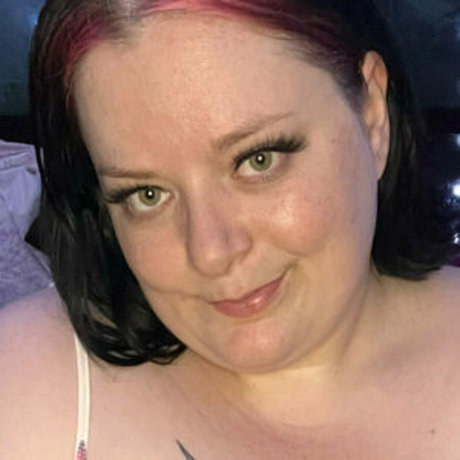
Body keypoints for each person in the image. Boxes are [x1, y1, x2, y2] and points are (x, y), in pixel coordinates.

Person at [1, 0, 460, 458]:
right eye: (147, 194)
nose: (211, 252)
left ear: (372, 117)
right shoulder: (22, 390)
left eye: (258, 160)